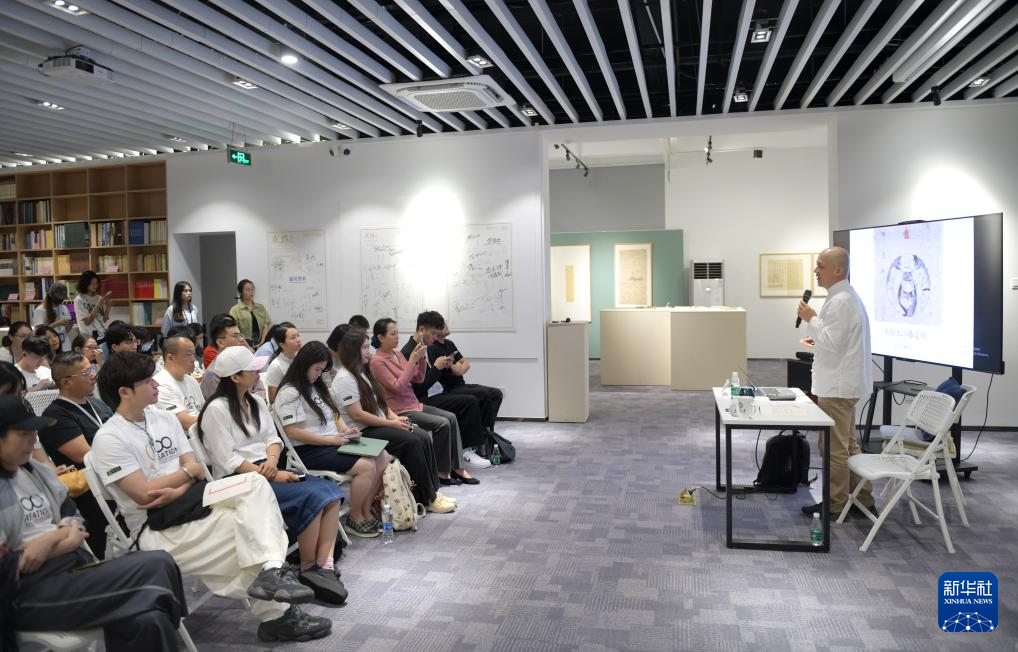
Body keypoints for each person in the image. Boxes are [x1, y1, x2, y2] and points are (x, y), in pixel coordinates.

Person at [91, 351, 332, 642]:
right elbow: (145, 494)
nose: (156, 385)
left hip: (194, 500)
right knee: (247, 530)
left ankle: (272, 573)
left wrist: (180, 483)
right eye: (147, 381)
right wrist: (186, 475)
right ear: (124, 392)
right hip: (155, 526)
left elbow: (196, 469)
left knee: (255, 485)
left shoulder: (164, 419)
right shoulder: (110, 437)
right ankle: (277, 613)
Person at [0, 395, 189, 651]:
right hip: (26, 593)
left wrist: (50, 540)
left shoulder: (35, 471)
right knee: (157, 564)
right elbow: (13, 565)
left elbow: (74, 519)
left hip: (70, 569)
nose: (33, 441)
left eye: (34, 432)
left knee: (150, 620)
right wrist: (64, 537)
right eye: (23, 434)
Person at [197, 347, 347, 604]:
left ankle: (324, 566)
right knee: (312, 495)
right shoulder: (216, 410)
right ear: (235, 377)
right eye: (253, 370)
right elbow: (228, 460)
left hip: (267, 468)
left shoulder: (255, 402)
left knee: (330, 492)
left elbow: (273, 439)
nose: (259, 373)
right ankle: (308, 568)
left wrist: (272, 463)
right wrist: (270, 473)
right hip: (240, 480)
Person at [275, 341, 390, 538]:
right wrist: (332, 440)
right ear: (304, 365)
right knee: (366, 466)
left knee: (383, 456)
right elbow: (293, 432)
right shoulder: (289, 392)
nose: (319, 374)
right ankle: (355, 516)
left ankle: (365, 509)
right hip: (309, 449)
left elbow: (334, 415)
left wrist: (346, 430)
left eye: (322, 370)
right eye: (317, 369)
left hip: (330, 442)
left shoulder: (315, 386)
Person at [333, 330, 453, 513]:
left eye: (368, 346)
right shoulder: (345, 379)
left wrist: (396, 418)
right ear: (352, 350)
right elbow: (358, 415)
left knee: (421, 435)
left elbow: (380, 404)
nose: (368, 351)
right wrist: (391, 424)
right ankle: (426, 497)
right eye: (364, 347)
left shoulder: (362, 372)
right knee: (413, 441)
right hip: (362, 432)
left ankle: (432, 492)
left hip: (377, 424)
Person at [797, 246, 876, 519]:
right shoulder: (846, 297)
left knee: (833, 448)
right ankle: (862, 498)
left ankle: (835, 503)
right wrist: (817, 331)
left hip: (838, 387)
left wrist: (811, 318)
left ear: (838, 270)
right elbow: (837, 340)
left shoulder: (840, 301)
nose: (815, 271)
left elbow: (832, 341)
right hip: (844, 384)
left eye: (821, 266)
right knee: (849, 445)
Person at [371, 318, 467, 488]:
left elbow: (419, 379)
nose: (397, 337)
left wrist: (421, 359)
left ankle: (456, 468)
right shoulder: (377, 361)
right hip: (399, 410)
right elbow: (398, 387)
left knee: (451, 417)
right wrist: (412, 361)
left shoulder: (397, 354)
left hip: (414, 404)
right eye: (393, 334)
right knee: (442, 423)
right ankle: (441, 472)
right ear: (380, 337)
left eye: (397, 333)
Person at [37, 352, 115, 557]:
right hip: (90, 489)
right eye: (86, 372)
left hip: (113, 474)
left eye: (92, 369)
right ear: (66, 382)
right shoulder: (55, 416)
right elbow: (85, 456)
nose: (93, 375)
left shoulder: (96, 404)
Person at [401, 312, 481, 485]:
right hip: (420, 400)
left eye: (437, 334)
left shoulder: (424, 348)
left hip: (435, 394)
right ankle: (447, 468)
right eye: (433, 334)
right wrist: (436, 368)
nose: (435, 338)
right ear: (421, 330)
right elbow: (418, 389)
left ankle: (456, 466)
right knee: (465, 405)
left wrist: (443, 367)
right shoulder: (409, 352)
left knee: (463, 408)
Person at [430, 315, 504, 438]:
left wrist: (458, 367)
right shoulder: (433, 348)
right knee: (484, 394)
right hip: (450, 389)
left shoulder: (449, 344)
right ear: (435, 330)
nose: (446, 325)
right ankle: (483, 435)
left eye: (445, 323)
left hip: (462, 384)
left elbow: (466, 364)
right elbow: (455, 370)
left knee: (496, 394)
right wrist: (457, 367)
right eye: (442, 324)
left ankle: (487, 431)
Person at [0, 361, 59, 471]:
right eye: (7, 394)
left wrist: (51, 474)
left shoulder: (23, 418)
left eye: (19, 394)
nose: (14, 400)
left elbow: (43, 461)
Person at [154, 332, 205, 431]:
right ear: (170, 358)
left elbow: (204, 411)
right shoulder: (159, 385)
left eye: (194, 354)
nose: (193, 359)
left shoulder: (191, 380)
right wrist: (216, 421)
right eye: (188, 355)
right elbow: (185, 423)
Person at [199, 315, 253, 399]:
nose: (241, 339)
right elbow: (222, 403)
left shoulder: (243, 361)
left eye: (240, 335)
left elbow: (259, 385)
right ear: (220, 343)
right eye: (235, 336)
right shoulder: (213, 374)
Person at [263, 323, 301, 403]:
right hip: (285, 406)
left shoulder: (299, 358)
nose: (298, 339)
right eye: (293, 338)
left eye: (298, 335)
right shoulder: (276, 366)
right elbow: (273, 399)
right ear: (282, 345)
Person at [31, 282, 72, 352]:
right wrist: (57, 323)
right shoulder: (40, 310)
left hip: (65, 344)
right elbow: (39, 332)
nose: (61, 300)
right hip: (50, 346)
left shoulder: (64, 308)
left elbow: (67, 328)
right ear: (51, 295)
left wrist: (69, 324)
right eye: (59, 298)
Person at [229, 279, 272, 347]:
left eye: (252, 289)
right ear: (240, 292)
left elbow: (266, 325)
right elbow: (234, 330)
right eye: (247, 289)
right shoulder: (235, 309)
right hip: (243, 344)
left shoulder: (260, 307)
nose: (251, 292)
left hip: (260, 343)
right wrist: (248, 347)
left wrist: (262, 342)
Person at [73, 271, 112, 342]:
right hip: (89, 338)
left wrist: (108, 307)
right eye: (92, 284)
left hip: (102, 335)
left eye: (96, 283)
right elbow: (87, 322)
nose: (95, 286)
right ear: (85, 284)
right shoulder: (79, 299)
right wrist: (98, 304)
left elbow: (104, 319)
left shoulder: (99, 298)